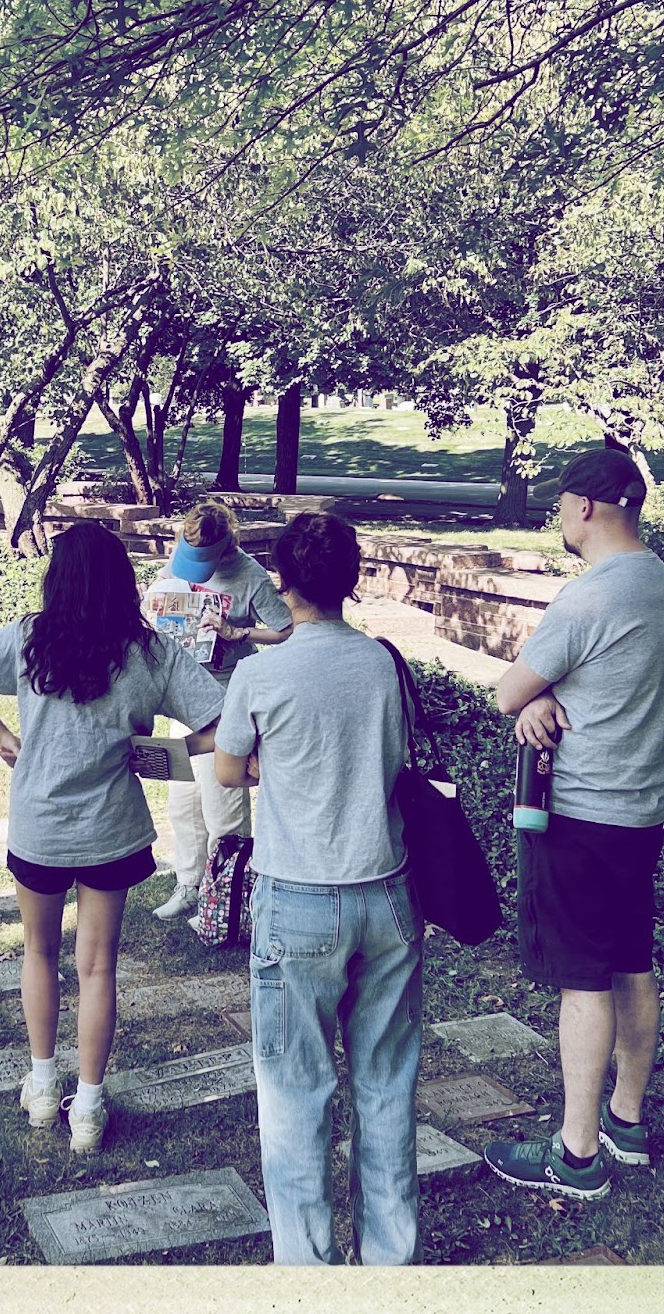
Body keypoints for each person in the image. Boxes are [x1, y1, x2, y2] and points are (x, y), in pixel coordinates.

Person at [0, 520, 224, 1153]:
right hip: (112, 832)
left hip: (38, 828)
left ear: (54, 578)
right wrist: (165, 752)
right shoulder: (151, 653)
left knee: (38, 954)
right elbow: (222, 724)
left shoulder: (29, 640)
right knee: (98, 967)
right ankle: (86, 1107)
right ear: (122, 580)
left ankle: (40, 1088)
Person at [482, 447, 664, 1201]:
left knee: (583, 980)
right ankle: (625, 1122)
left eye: (562, 503)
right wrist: (543, 698)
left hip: (581, 817)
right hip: (640, 812)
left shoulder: (593, 593)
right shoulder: (660, 583)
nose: (558, 516)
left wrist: (530, 700)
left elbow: (509, 692)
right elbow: (576, 686)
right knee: (632, 960)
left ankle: (577, 1157)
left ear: (588, 508)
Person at [214, 510, 420, 1266]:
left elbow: (231, 768)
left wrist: (282, 766)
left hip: (297, 895)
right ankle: (391, 1262)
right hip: (388, 893)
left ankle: (306, 1269)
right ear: (353, 580)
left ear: (283, 583)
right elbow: (392, 762)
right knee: (386, 1082)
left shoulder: (260, 673)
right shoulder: (383, 663)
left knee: (296, 1090)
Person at [141, 499, 291, 921]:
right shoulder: (178, 555)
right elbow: (157, 599)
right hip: (181, 694)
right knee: (182, 798)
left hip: (226, 698)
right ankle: (189, 884)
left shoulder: (250, 576)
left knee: (221, 801)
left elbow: (287, 630)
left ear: (227, 545)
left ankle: (228, 898)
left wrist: (236, 631)